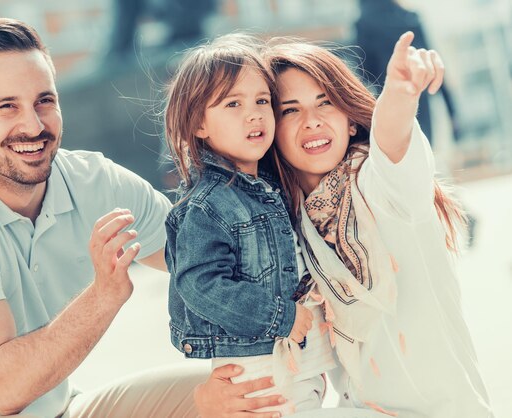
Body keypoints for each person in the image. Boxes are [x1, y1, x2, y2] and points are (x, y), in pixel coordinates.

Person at [0, 18, 208, 418]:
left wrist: (295, 302)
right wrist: (104, 294)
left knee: (247, 391)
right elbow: (5, 390)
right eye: (7, 106)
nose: (33, 125)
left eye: (44, 101)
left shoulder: (94, 181)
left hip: (60, 411)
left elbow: (203, 257)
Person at [264, 32, 493, 417]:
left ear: (351, 121)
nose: (313, 121)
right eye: (290, 110)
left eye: (326, 103)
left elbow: (392, 138)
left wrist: (401, 94)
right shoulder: (287, 225)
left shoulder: (381, 187)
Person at [163, 33, 339, 416]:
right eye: (233, 103)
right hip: (256, 367)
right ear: (198, 124)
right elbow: (200, 285)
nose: (254, 114)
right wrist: (283, 317)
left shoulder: (267, 187)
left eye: (262, 100)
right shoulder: (209, 205)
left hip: (292, 360)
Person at [354, 0, 459, 144]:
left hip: (388, 102)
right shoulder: (411, 19)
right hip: (419, 101)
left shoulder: (364, 24)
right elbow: (432, 64)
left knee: (397, 156)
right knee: (423, 150)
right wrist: (452, 111)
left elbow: (364, 72)